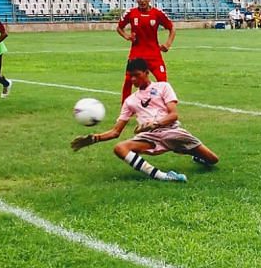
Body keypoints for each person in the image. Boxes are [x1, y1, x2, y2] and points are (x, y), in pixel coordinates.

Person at [70, 58, 218, 183]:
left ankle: (196, 156)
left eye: (136, 75)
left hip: (172, 131)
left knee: (213, 160)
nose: (133, 79)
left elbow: (173, 115)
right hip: (150, 137)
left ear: (146, 73)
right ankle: (164, 177)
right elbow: (116, 132)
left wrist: (155, 124)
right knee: (120, 148)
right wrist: (94, 138)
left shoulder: (163, 87)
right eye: (130, 76)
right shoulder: (130, 101)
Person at [116, 0, 175, 103]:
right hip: (136, 55)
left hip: (154, 54)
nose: (142, 1)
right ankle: (125, 111)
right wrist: (127, 36)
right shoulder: (131, 13)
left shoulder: (157, 13)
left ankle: (166, 109)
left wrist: (168, 44)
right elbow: (119, 28)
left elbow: (172, 28)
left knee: (163, 82)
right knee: (128, 81)